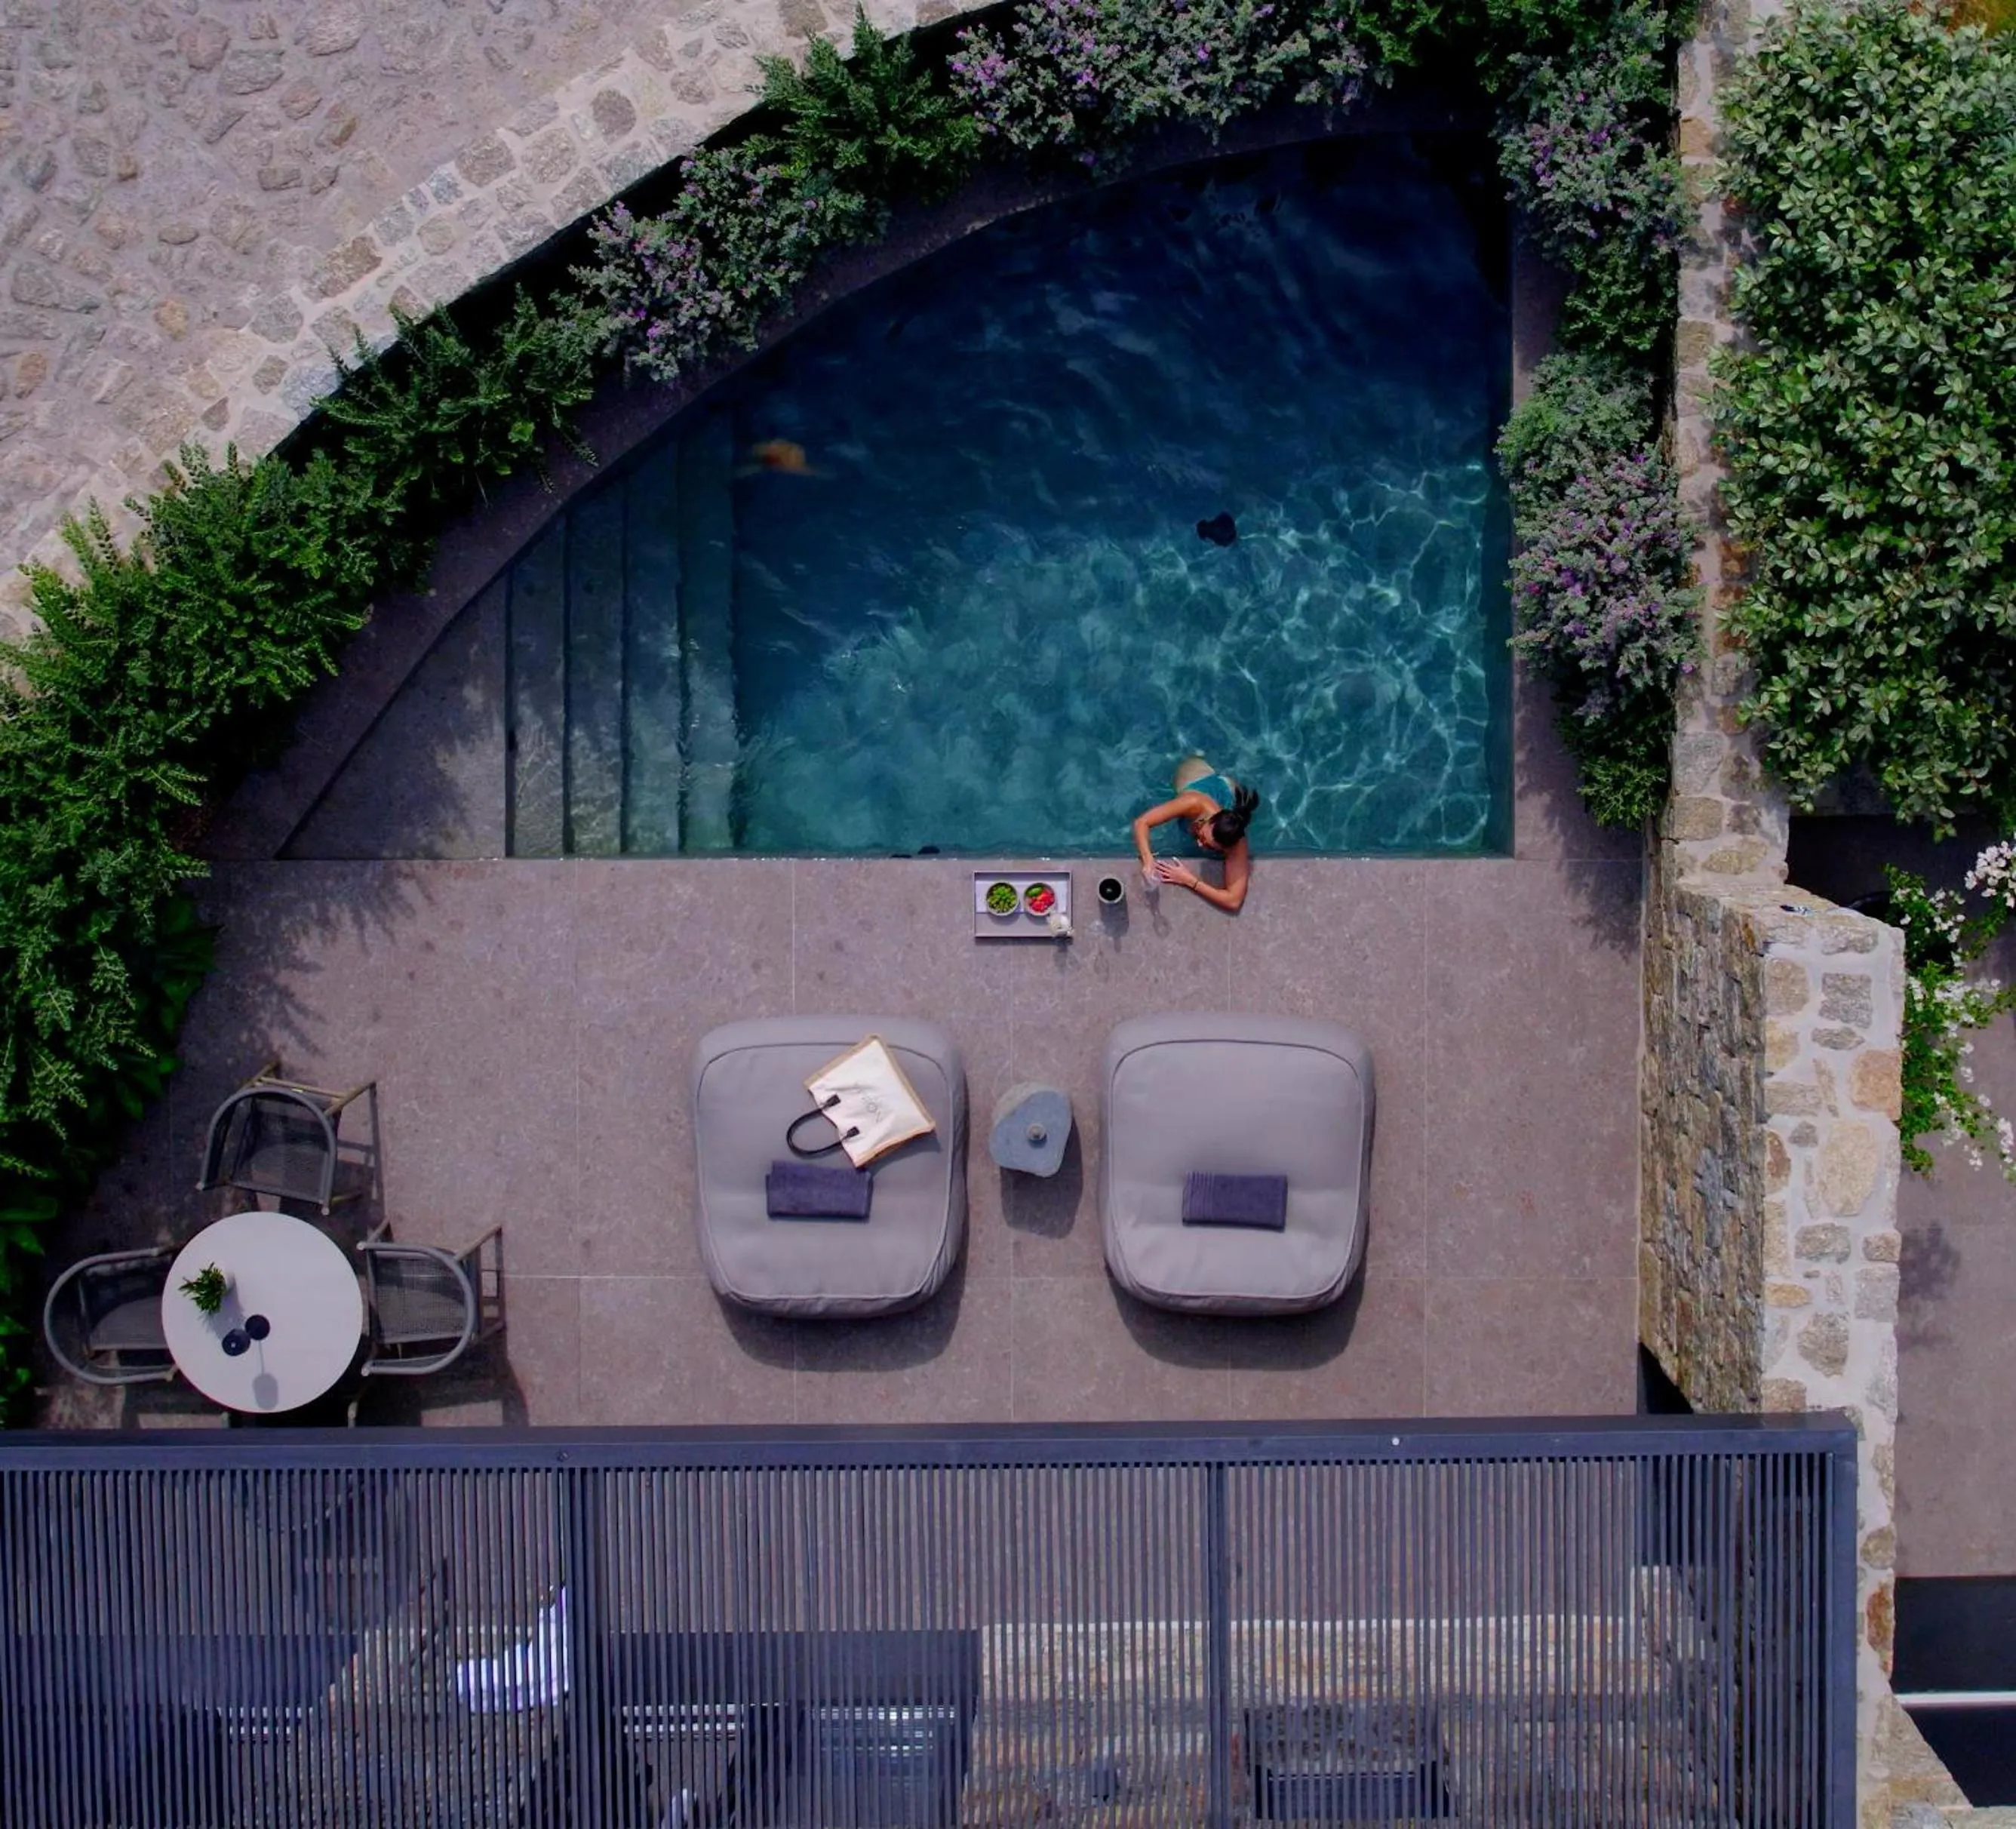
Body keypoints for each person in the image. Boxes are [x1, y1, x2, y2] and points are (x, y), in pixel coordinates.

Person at [1130, 757, 1259, 912]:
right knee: (1181, 775)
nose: (1199, 844)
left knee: (1234, 794)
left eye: (1210, 846)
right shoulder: (1194, 803)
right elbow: (1141, 823)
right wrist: (1147, 858)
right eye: (1202, 837)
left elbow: (1234, 901)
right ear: (1210, 819)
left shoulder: (1236, 843)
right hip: (1197, 778)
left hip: (1229, 794)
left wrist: (1190, 880)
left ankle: (1225, 783)